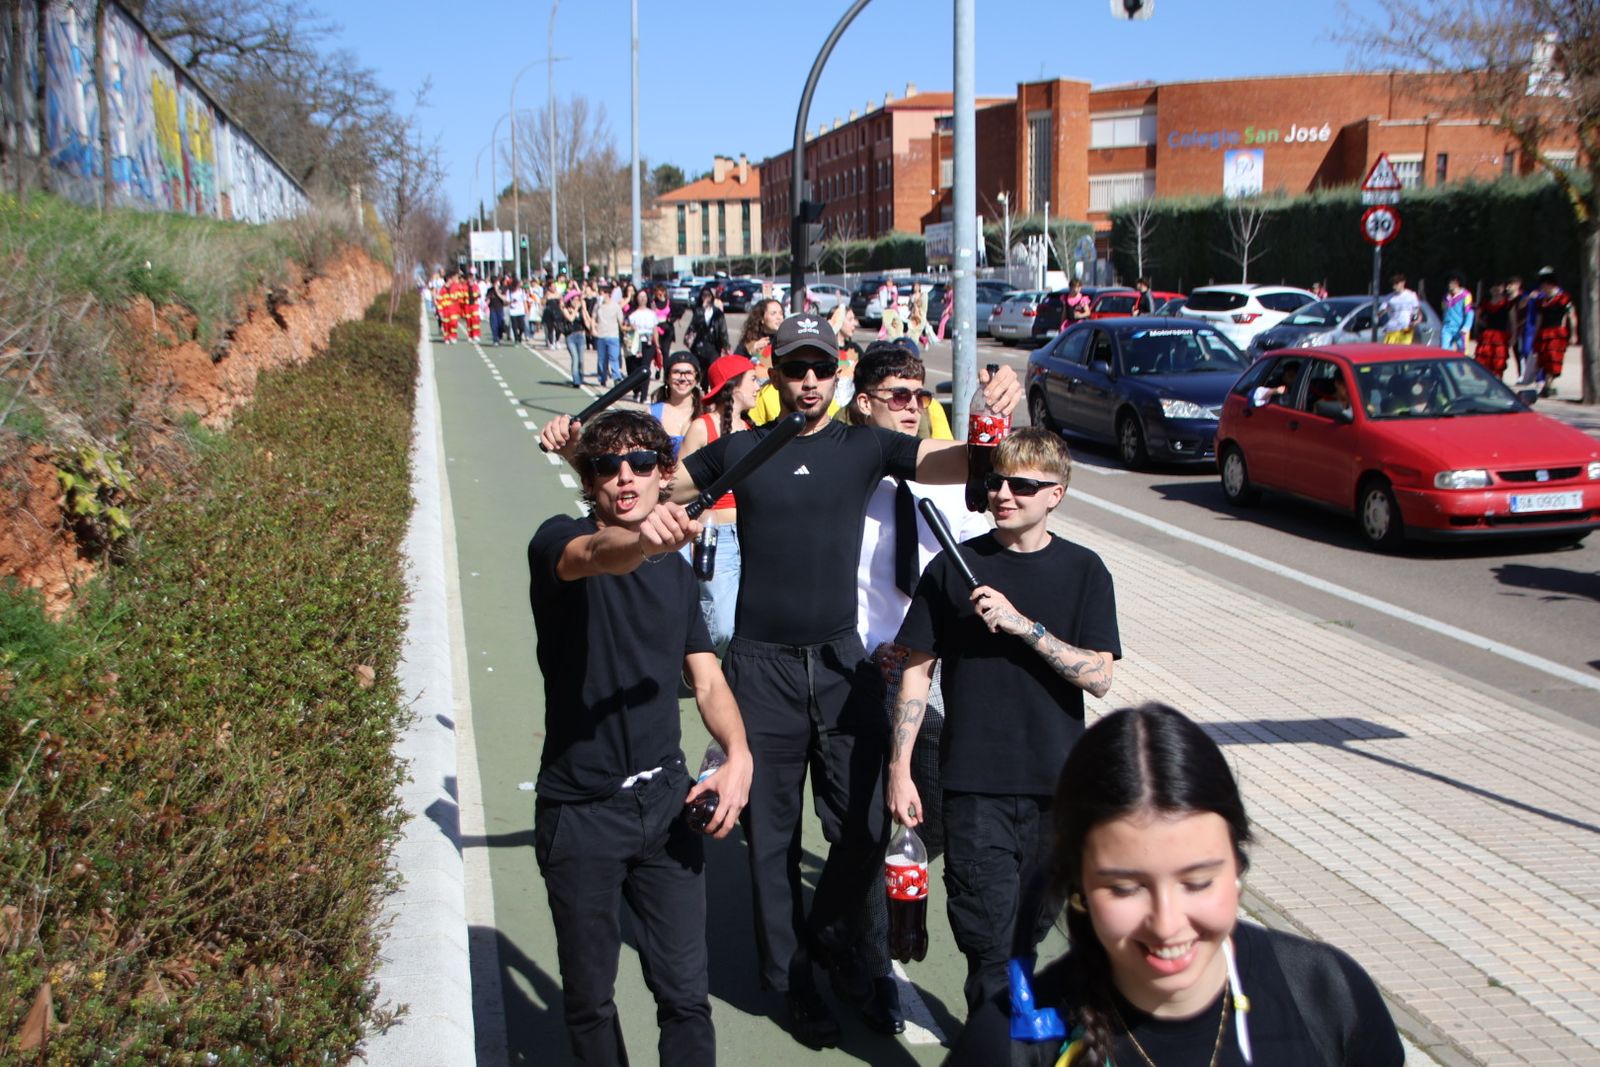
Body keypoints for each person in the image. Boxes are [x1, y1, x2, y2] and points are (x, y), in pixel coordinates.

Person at [543, 313, 1022, 1049]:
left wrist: (993, 423)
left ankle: (829, 933)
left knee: (868, 825)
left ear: (838, 373)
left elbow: (954, 462)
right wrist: (579, 447)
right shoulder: (742, 449)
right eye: (795, 368)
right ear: (775, 373)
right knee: (770, 845)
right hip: (759, 665)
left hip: (840, 663)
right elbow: (644, 481)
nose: (808, 380)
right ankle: (794, 981)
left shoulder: (866, 446)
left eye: (820, 368)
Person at [947, 703, 1404, 1066]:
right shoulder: (1007, 1045)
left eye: (1198, 882)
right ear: (1079, 884)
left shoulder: (1330, 996)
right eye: (1126, 888)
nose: (1166, 925)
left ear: (1237, 865)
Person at [528, 409, 754, 1067]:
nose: (624, 476)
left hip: (665, 807)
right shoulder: (558, 541)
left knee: (686, 996)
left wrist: (739, 753)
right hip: (580, 814)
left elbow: (707, 679)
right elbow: (598, 554)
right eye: (607, 465)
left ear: (665, 474)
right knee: (590, 1001)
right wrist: (644, 545)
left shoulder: (678, 575)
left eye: (640, 463)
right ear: (590, 480)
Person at [888, 428, 1120, 1016]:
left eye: (1021, 485)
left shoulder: (1085, 570)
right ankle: (995, 1043)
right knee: (989, 949)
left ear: (1056, 495)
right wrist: (900, 769)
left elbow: (1099, 676)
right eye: (995, 482)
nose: (1003, 495)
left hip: (1056, 790)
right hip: (974, 788)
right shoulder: (952, 567)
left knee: (1027, 940)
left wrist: (1025, 628)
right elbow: (916, 673)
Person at [841, 342, 989, 1026]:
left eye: (921, 396)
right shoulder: (847, 477)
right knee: (868, 825)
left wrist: (995, 418)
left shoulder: (948, 477)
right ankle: (873, 968)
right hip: (862, 670)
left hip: (933, 677)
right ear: (864, 401)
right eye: (898, 395)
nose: (913, 407)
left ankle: (864, 912)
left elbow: (993, 537)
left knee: (935, 819)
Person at [679, 354, 760, 655]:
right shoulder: (703, 427)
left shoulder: (752, 429)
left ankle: (727, 674)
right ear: (733, 385)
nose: (758, 386)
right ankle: (696, 663)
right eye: (753, 379)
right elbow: (679, 488)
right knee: (723, 626)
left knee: (746, 622)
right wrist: (692, 534)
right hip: (715, 536)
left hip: (750, 535)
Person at [1530, 267, 1577, 397]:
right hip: (1544, 333)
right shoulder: (1541, 301)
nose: (1542, 288)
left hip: (1557, 333)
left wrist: (1574, 334)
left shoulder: (1564, 299)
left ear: (1549, 284)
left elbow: (1571, 316)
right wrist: (1535, 335)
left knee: (1553, 358)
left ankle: (1549, 384)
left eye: (1543, 285)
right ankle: (1548, 384)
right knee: (1544, 359)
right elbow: (1539, 319)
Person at [649, 352, 703, 457]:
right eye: (676, 372)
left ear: (696, 378)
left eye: (688, 373)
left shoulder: (705, 411)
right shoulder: (652, 413)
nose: (682, 378)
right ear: (667, 378)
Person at [686, 285, 730, 377]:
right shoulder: (698, 310)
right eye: (704, 295)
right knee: (699, 370)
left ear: (712, 297)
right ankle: (703, 384)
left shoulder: (717, 312)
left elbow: (723, 329)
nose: (706, 298)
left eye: (708, 295)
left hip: (713, 344)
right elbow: (694, 325)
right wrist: (702, 309)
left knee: (713, 368)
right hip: (699, 344)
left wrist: (726, 345)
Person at [627, 292, 661, 404]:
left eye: (644, 297)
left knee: (645, 367)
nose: (642, 299)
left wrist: (657, 345)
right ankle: (636, 391)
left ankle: (644, 395)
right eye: (640, 297)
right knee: (635, 368)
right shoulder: (633, 314)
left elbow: (655, 330)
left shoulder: (652, 314)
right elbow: (627, 329)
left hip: (648, 343)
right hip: (636, 343)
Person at [1475, 282, 1513, 378]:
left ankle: (1498, 382)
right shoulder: (1485, 303)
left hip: (1501, 336)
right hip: (1487, 335)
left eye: (1499, 287)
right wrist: (1483, 323)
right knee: (1484, 359)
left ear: (1503, 288)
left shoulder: (1508, 303)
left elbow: (1513, 321)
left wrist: (1514, 335)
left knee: (1499, 360)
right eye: (1494, 287)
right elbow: (1477, 316)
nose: (1496, 289)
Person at [592, 287, 626, 388]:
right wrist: (593, 329)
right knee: (602, 359)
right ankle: (602, 377)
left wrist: (625, 331)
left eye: (602, 293)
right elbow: (593, 318)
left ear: (607, 294)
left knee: (614, 357)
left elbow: (621, 321)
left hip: (613, 336)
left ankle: (616, 377)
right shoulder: (597, 306)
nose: (600, 296)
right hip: (601, 335)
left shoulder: (616, 306)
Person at [561, 291, 591, 388]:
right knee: (575, 358)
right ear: (571, 300)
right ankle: (576, 380)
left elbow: (587, 322)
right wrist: (576, 309)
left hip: (580, 335)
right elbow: (571, 319)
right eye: (576, 299)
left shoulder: (581, 310)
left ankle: (580, 377)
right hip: (570, 336)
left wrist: (584, 310)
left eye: (578, 299)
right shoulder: (566, 309)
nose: (578, 301)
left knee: (581, 360)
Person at [1380, 274, 1420, 345]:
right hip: (1392, 328)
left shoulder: (1411, 295)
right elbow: (1379, 313)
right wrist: (1384, 310)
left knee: (1404, 349)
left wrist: (1415, 321)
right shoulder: (1389, 297)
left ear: (1403, 283)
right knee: (1390, 350)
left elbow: (1416, 311)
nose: (1394, 287)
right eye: (1393, 284)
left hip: (1406, 328)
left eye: (1396, 284)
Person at [1440, 273, 1474, 353]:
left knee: (1463, 351)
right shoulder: (1445, 297)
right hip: (1447, 328)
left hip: (1460, 328)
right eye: (1449, 282)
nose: (1449, 284)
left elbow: (1469, 313)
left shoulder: (1465, 295)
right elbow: (1444, 311)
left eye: (1452, 282)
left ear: (1457, 283)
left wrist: (1466, 327)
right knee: (1443, 350)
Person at [485, 277, 507, 346]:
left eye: (496, 282)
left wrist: (497, 292)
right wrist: (487, 299)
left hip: (500, 309)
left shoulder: (502, 289)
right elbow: (487, 300)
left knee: (500, 324)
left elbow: (504, 299)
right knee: (494, 325)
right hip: (492, 309)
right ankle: (495, 339)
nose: (495, 284)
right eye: (493, 282)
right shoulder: (489, 290)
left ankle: (499, 336)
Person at [506, 277, 528, 344]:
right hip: (513, 311)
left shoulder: (521, 291)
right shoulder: (509, 292)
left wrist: (526, 308)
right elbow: (507, 301)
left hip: (521, 311)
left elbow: (524, 301)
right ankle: (516, 339)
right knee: (514, 326)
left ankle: (519, 335)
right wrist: (512, 301)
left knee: (522, 326)